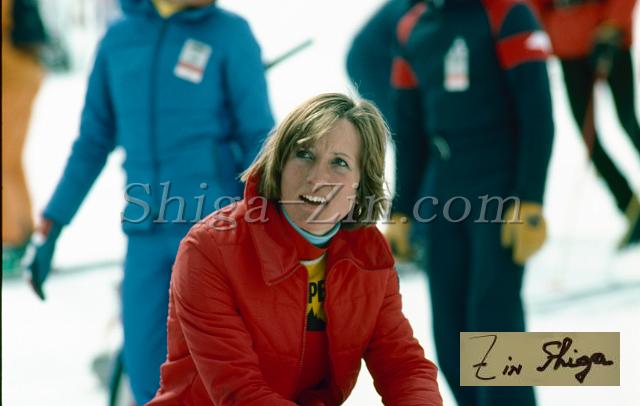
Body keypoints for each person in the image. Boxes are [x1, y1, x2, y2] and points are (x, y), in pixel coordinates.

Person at [26, 0, 274, 403]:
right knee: (147, 375)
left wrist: (272, 227)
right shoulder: (119, 41)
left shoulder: (230, 35)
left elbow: (259, 141)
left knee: (217, 375)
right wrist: (52, 224)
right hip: (144, 238)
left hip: (216, 236)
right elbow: (92, 143)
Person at [148, 93, 443, 405]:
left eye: (339, 163)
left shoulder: (368, 254)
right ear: (279, 164)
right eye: (304, 154)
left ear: (361, 185)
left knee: (467, 357)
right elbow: (241, 393)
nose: (316, 178)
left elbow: (403, 367)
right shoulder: (210, 249)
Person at [386, 0, 554, 405]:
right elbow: (409, 130)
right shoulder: (413, 28)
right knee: (450, 330)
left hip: (500, 191)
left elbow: (538, 115)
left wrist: (529, 200)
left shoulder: (508, 14)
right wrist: (401, 211)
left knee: (494, 322)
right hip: (444, 195)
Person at [530, 0, 640, 247]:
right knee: (588, 138)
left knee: (628, 124)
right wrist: (546, 29)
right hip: (568, 47)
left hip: (610, 39)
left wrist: (612, 25)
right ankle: (631, 209)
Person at [2, 0, 46, 276]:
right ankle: (22, 236)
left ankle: (10, 241)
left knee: (5, 160)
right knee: (10, 160)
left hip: (12, 72)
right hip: (18, 68)